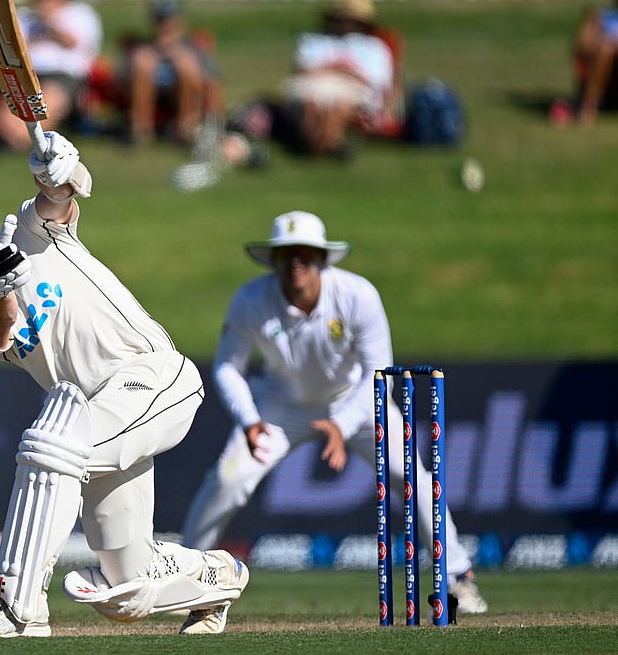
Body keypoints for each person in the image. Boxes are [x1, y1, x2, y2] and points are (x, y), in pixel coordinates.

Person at [0, 130, 249, 638]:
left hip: (151, 377)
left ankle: (16, 608)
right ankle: (218, 576)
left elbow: (61, 199)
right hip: (94, 414)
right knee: (126, 594)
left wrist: (57, 168)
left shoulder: (26, 229)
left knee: (49, 445)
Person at [179, 210, 488, 616]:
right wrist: (250, 419)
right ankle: (178, 577)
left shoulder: (358, 295)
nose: (295, 264)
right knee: (227, 478)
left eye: (305, 254)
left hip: (355, 402)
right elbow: (226, 367)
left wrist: (341, 425)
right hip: (281, 405)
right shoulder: (251, 300)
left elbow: (381, 377)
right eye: (286, 254)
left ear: (323, 258)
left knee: (411, 476)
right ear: (273, 260)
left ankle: (458, 576)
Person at [0, 0, 103, 151]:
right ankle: (15, 136)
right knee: (3, 115)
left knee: (44, 106)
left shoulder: (79, 14)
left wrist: (49, 22)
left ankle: (21, 138)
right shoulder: (24, 18)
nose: (46, 0)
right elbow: (8, 50)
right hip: (26, 73)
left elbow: (75, 43)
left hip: (63, 76)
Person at [276, 0, 402, 157]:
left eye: (351, 19)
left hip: (354, 88)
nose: (346, 23)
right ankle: (319, 146)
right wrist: (336, 69)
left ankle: (319, 147)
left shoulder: (374, 46)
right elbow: (302, 69)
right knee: (312, 104)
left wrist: (341, 70)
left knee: (339, 106)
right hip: (314, 84)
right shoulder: (315, 40)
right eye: (342, 18)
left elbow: (377, 80)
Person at [118, 0, 225, 145]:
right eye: (160, 20)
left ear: (179, 20)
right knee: (143, 63)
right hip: (151, 102)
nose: (164, 25)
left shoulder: (193, 47)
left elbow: (211, 81)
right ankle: (141, 130)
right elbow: (121, 79)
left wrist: (215, 117)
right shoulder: (141, 49)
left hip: (185, 103)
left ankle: (185, 129)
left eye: (168, 19)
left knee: (186, 65)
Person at [565, 0, 618, 126]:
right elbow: (581, 47)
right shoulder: (601, 18)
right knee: (605, 49)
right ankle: (588, 108)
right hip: (609, 76)